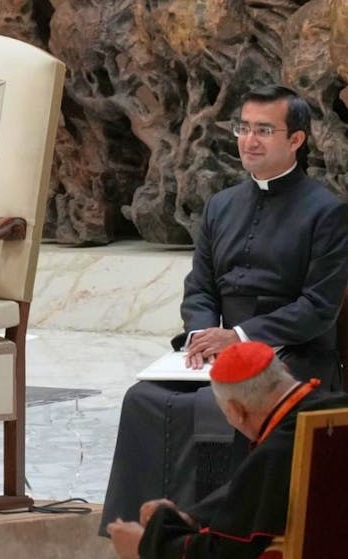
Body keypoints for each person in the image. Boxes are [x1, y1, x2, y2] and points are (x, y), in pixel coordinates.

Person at [101, 85, 348, 534]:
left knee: (220, 407)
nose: (249, 140)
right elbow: (199, 289)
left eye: (264, 130)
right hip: (223, 348)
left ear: (296, 140)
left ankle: (205, 536)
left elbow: (318, 307)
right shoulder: (221, 205)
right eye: (244, 128)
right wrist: (200, 336)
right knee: (144, 400)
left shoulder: (327, 212)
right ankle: (138, 533)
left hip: (291, 351)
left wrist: (239, 337)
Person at [107, 341, 348, 558]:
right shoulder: (335, 411)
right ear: (285, 371)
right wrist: (192, 516)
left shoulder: (276, 451)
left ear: (236, 411)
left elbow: (225, 552)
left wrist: (147, 544)